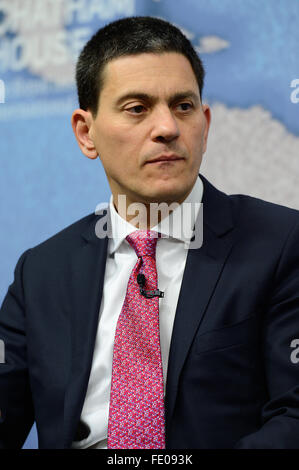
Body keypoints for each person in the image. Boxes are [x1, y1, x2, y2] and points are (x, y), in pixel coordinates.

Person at [1, 16, 299, 450]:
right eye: (137, 109)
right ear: (87, 133)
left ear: (206, 123)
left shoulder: (281, 243)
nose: (168, 128)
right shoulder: (42, 271)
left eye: (183, 106)